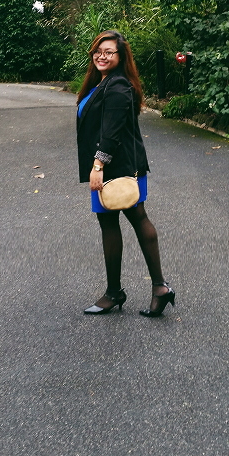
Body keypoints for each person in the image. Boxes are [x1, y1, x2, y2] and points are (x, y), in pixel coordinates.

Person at [76, 30, 175, 317]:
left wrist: (98, 166)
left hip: (117, 168)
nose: (102, 56)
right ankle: (147, 289)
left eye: (109, 52)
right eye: (98, 51)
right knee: (122, 221)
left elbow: (112, 132)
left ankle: (124, 292)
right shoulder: (102, 83)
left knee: (129, 220)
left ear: (121, 57)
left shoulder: (118, 86)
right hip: (113, 166)